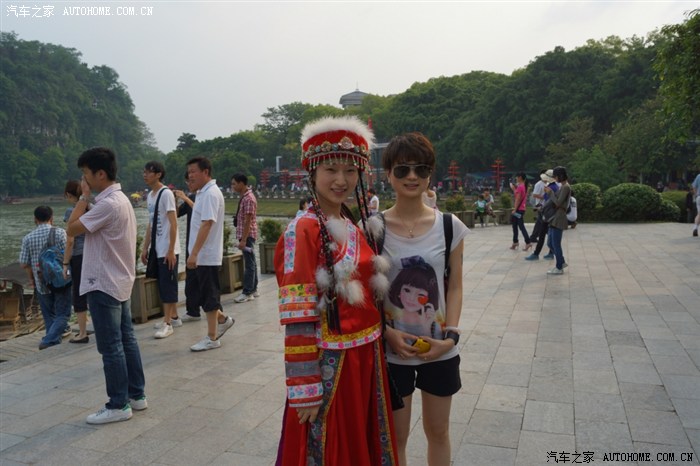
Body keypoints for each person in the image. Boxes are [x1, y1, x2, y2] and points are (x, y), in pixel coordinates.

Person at [274, 116, 397, 465]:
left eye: (350, 171)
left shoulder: (351, 225)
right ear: (312, 173)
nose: (341, 180)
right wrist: (305, 387)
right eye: (331, 169)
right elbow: (297, 313)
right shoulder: (302, 230)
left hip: (366, 358)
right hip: (332, 365)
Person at [379, 132, 468, 466]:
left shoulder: (449, 226)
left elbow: (454, 286)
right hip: (391, 351)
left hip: (440, 349)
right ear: (388, 174)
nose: (412, 176)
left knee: (438, 431)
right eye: (402, 169)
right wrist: (386, 331)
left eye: (421, 169)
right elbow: (368, 293)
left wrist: (451, 336)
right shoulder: (372, 227)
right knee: (397, 437)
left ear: (430, 174)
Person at [66, 146, 146, 424]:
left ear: (100, 174)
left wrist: (83, 198)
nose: (84, 180)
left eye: (86, 174)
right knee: (127, 340)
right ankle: (136, 395)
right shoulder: (120, 200)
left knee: (111, 347)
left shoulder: (108, 204)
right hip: (119, 281)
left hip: (103, 283)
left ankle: (118, 405)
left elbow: (71, 228)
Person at [186, 157, 235, 351]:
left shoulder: (210, 194)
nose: (190, 175)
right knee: (203, 294)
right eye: (189, 172)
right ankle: (223, 319)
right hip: (202, 255)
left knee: (209, 295)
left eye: (193, 171)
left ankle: (212, 338)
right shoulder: (202, 193)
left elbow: (207, 224)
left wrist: (194, 253)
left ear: (205, 172)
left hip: (205, 255)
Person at [20, 206, 72, 350]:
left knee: (49, 315)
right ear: (51, 218)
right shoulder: (60, 233)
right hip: (62, 279)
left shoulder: (28, 238)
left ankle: (51, 342)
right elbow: (69, 253)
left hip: (41, 281)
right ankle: (50, 340)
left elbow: (24, 263)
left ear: (35, 219)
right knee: (63, 314)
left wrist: (31, 279)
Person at [141, 161, 181, 339]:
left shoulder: (166, 194)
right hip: (157, 247)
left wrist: (171, 250)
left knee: (167, 285)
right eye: (144, 172)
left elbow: (173, 223)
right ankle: (174, 317)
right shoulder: (150, 196)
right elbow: (151, 223)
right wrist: (145, 247)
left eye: (148, 172)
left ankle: (167, 323)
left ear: (158, 174)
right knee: (162, 282)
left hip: (167, 248)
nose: (145, 175)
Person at [62, 181, 90, 343]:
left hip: (78, 256)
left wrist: (65, 263)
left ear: (68, 194)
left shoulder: (71, 211)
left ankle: (82, 333)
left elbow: (70, 241)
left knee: (79, 294)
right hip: (92, 254)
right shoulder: (90, 208)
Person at [174, 173, 201, 321]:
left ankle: (217, 313)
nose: (189, 184)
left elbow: (200, 211)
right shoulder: (191, 197)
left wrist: (185, 198)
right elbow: (177, 214)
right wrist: (175, 200)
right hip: (191, 243)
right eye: (187, 182)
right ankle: (192, 311)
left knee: (206, 280)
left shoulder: (205, 196)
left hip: (204, 245)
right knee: (191, 279)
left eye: (191, 181)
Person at [231, 173, 259, 303]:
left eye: (234, 184)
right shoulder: (245, 197)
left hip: (247, 235)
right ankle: (253, 289)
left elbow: (248, 221)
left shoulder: (248, 199)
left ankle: (247, 292)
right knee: (252, 262)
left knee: (249, 264)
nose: (232, 186)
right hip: (246, 235)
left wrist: (243, 240)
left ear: (241, 183)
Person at [525, 170, 558, 261]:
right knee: (544, 233)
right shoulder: (554, 186)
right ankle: (545, 253)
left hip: (547, 213)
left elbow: (549, 201)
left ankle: (538, 253)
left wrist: (541, 208)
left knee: (544, 234)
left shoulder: (551, 188)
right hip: (548, 212)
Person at [544, 166, 571, 275]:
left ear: (560, 176)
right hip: (555, 217)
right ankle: (561, 261)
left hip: (559, 217)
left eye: (556, 176)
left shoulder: (566, 187)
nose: (555, 178)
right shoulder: (563, 186)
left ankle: (559, 267)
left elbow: (558, 202)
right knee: (550, 243)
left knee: (555, 244)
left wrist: (550, 193)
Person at [509, 172, 532, 250]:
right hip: (521, 209)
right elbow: (519, 196)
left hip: (518, 210)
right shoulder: (524, 186)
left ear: (520, 177)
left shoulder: (520, 187)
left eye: (517, 177)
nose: (516, 178)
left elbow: (518, 199)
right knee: (514, 225)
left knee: (521, 226)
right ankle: (515, 242)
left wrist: (515, 210)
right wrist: (514, 189)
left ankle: (528, 242)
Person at [692, 173, 700, 237]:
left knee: (699, 214)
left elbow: (694, 187)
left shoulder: (699, 176)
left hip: (699, 197)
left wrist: (695, 196)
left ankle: (695, 228)